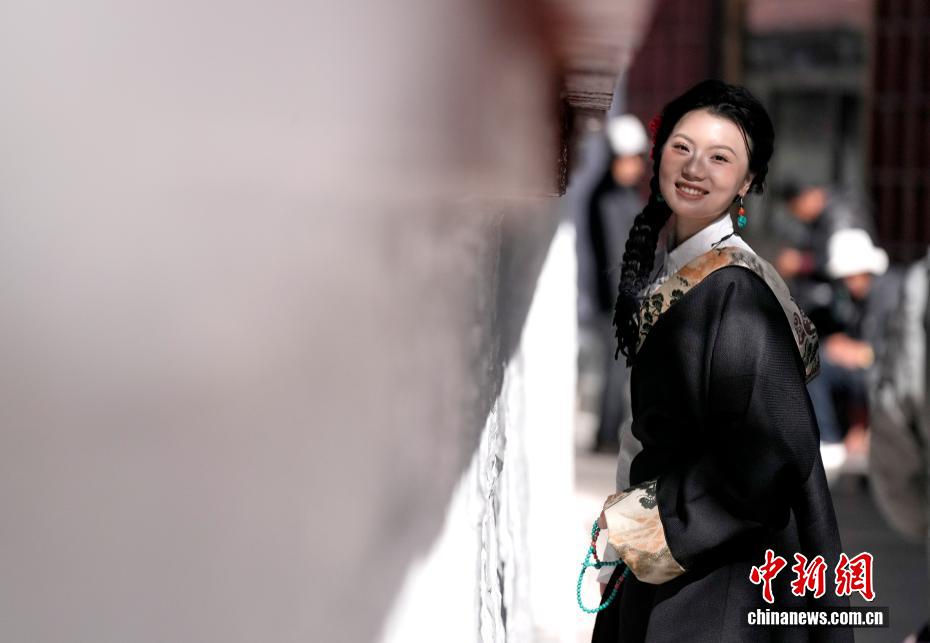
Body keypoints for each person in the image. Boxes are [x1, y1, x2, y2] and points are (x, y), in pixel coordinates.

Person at [589, 80, 851, 641]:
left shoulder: (735, 291)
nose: (694, 168)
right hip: (672, 565)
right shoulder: (679, 268)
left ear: (747, 181)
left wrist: (644, 523)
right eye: (682, 148)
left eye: (720, 157)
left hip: (718, 585)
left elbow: (769, 455)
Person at [579, 114, 649, 452]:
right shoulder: (607, 198)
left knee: (623, 368)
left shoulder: (622, 195)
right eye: (634, 159)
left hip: (626, 295)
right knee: (616, 368)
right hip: (617, 300)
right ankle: (606, 437)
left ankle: (612, 434)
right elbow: (614, 253)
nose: (639, 166)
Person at [805, 228, 897, 480]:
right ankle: (831, 439)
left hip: (889, 374)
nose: (848, 282)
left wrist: (861, 353)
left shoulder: (889, 295)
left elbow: (893, 351)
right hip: (874, 372)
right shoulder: (861, 299)